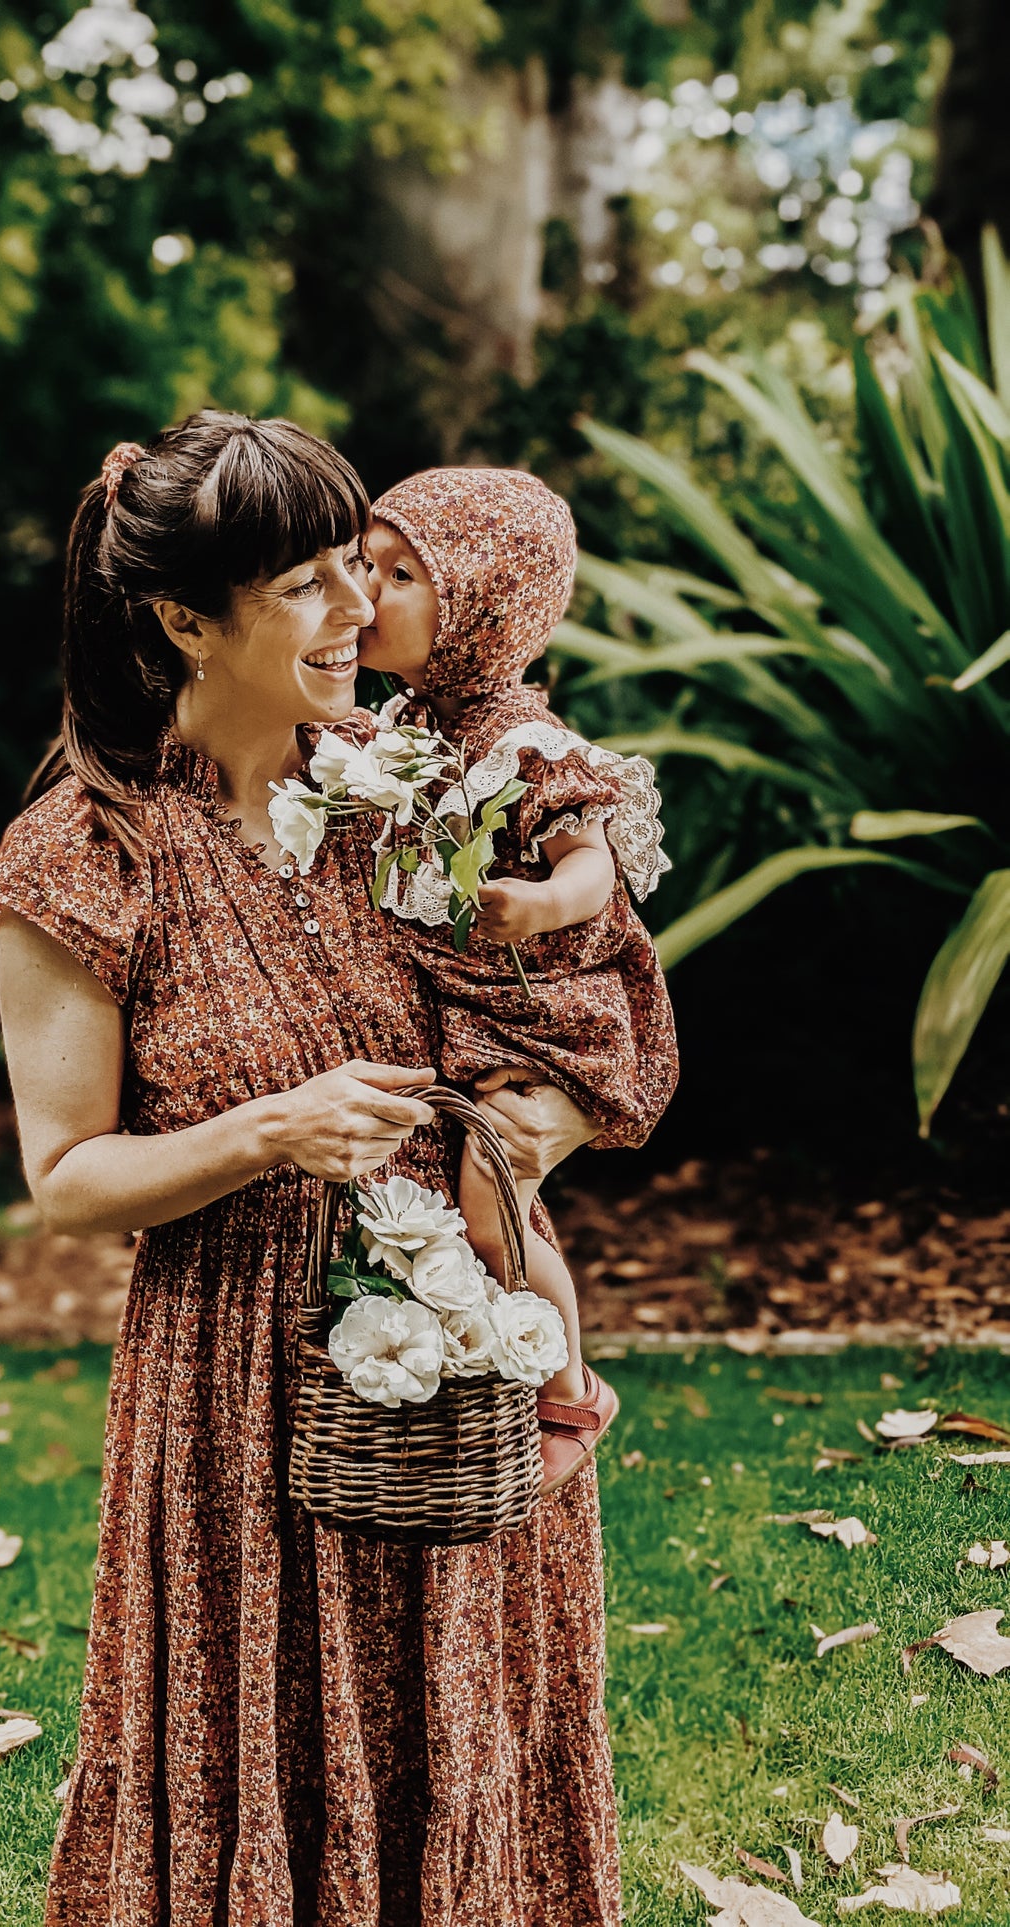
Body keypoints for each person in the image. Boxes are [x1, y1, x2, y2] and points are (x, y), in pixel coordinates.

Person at [0, 412, 620, 1924]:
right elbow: (65, 1175)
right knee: (262, 1744)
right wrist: (267, 1127)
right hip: (239, 1397)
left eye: (357, 567)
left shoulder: (410, 785)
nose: (360, 612)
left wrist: (555, 1116)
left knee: (466, 1732)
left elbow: (571, 989)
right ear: (187, 621)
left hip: (452, 1365)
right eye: (309, 587)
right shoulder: (87, 852)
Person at [355, 466, 679, 1490]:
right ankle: (497, 1357)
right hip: (476, 1011)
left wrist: (538, 903)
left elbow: (593, 862)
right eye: (364, 562)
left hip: (549, 1013)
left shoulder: (522, 745)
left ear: (476, 611)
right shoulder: (399, 731)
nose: (365, 590)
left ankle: (570, 1389)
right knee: (478, 1194)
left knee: (493, 1197)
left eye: (402, 574)